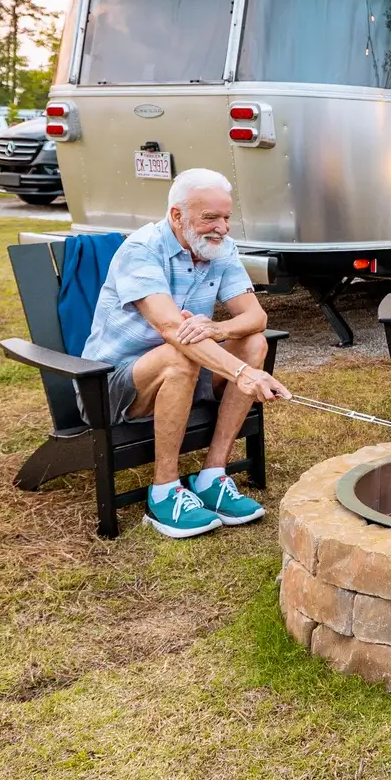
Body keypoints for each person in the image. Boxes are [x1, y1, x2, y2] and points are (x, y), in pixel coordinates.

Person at [80, 167, 292, 539]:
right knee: (178, 354)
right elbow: (170, 329)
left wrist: (219, 328)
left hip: (185, 375)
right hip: (110, 386)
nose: (222, 228)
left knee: (254, 343)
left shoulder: (219, 249)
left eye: (226, 217)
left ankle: (212, 475)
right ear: (177, 215)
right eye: (210, 217)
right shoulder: (142, 250)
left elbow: (256, 317)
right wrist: (243, 374)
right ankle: (163, 493)